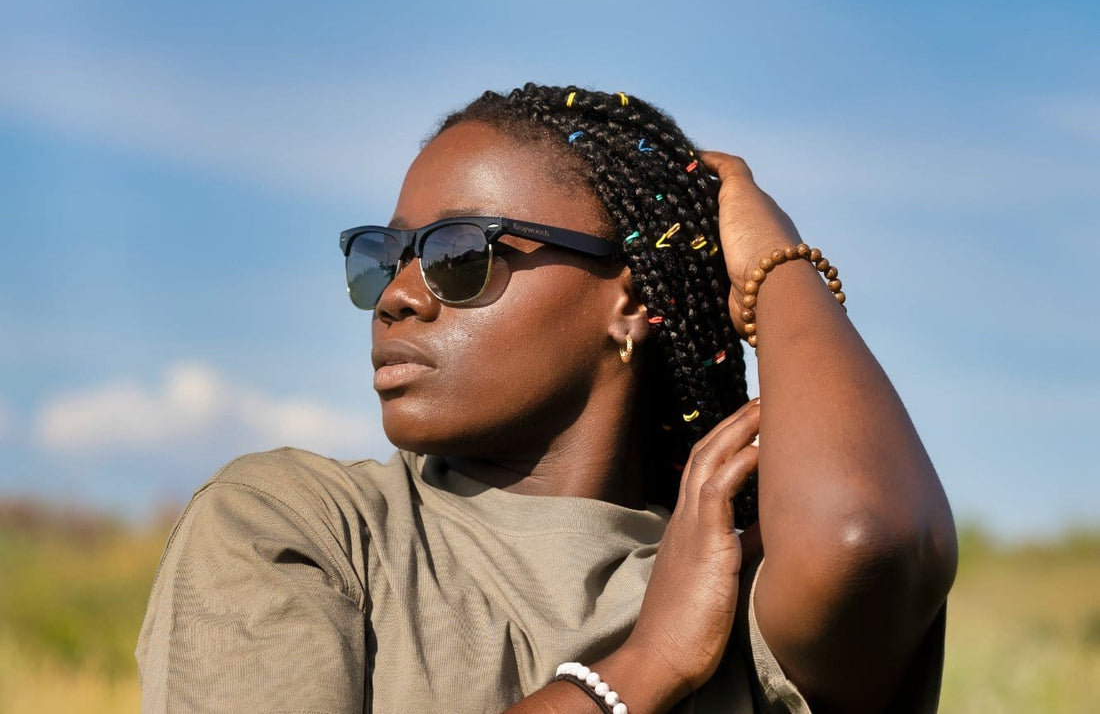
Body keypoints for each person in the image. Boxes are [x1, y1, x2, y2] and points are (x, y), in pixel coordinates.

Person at [137, 83, 957, 713]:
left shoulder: (740, 588)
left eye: (460, 255)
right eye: (384, 257)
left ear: (630, 303)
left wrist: (777, 264)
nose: (398, 296)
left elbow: (870, 535)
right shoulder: (300, 525)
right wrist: (644, 669)